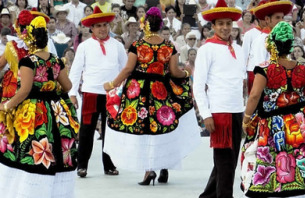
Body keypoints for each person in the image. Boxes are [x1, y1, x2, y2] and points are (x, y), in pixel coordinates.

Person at [240, 20, 305, 197]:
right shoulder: (302, 69)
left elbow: (254, 96)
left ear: (272, 44)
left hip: (271, 123)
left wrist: (247, 118)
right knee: (299, 156)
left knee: (271, 159)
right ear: (290, 45)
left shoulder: (264, 69)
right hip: (298, 121)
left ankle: (274, 187)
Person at [103, 7, 199, 186]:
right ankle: (164, 168)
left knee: (146, 130)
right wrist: (187, 73)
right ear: (161, 24)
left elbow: (128, 69)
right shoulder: (169, 45)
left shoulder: (138, 45)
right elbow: (174, 72)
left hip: (139, 93)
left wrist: (112, 84)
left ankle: (149, 171)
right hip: (160, 90)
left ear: (145, 23)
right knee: (163, 127)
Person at [0, 16, 79, 198]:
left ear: (31, 39)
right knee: (56, 148)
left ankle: (31, 191)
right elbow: (68, 86)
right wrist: (50, 85)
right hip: (55, 109)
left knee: (29, 148)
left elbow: (24, 91)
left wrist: (6, 105)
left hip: (34, 111)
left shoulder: (28, 61)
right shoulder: (56, 60)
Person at [194, 0, 245, 197]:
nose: (225, 28)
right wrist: (206, 114)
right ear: (213, 26)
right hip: (218, 112)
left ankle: (207, 196)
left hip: (236, 110)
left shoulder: (238, 50)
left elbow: (242, 83)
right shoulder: (207, 49)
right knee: (225, 163)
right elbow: (198, 85)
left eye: (228, 23)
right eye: (220, 24)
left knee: (228, 161)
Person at [69, 6, 126, 178]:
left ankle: (109, 165)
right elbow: (75, 71)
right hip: (91, 92)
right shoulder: (85, 46)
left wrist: (124, 91)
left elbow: (125, 69)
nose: (102, 29)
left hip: (112, 93)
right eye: (98, 26)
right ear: (92, 28)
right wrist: (72, 93)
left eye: (105, 25)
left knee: (111, 130)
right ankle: (82, 165)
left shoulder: (117, 45)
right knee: (87, 129)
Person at [251, 0, 293, 89]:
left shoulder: (284, 38)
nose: (281, 21)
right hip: (270, 87)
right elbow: (260, 66)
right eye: (277, 18)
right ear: (267, 19)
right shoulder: (261, 40)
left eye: (282, 17)